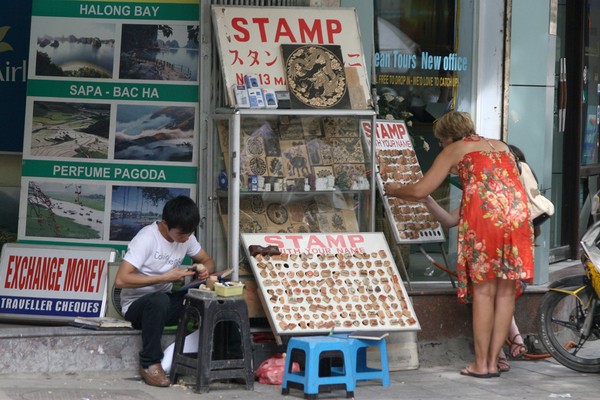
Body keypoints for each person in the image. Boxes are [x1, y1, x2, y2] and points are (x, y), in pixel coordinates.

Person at [385, 111, 534, 378]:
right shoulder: (500, 146)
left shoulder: (456, 150)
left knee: (485, 293)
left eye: (440, 141)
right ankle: (492, 361)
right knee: (505, 294)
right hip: (517, 219)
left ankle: (482, 364)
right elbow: (501, 188)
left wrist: (394, 190)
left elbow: (420, 190)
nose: (441, 146)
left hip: (487, 220)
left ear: (449, 136)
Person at [420, 194, 529, 372]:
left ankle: (493, 357)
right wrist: (428, 200)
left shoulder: (481, 193)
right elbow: (449, 219)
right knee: (498, 296)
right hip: (507, 263)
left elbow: (449, 220)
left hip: (491, 262)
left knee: (489, 296)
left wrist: (424, 198)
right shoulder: (506, 191)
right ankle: (501, 351)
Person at [115, 195, 215, 387]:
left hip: (166, 302)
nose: (185, 239)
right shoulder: (146, 238)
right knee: (158, 300)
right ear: (165, 223)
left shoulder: (187, 236)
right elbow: (121, 279)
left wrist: (203, 272)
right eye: (180, 235)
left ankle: (226, 353)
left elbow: (208, 260)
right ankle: (150, 363)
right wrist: (164, 278)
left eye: (189, 234)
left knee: (213, 293)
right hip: (138, 306)